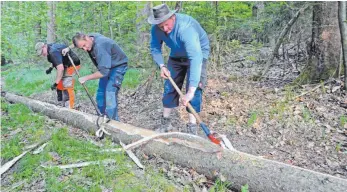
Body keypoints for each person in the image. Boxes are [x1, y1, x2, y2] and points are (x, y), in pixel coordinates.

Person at [148, 4, 210, 135]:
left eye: (167, 25)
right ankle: (166, 123)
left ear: (173, 17)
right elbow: (154, 48)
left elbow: (195, 58)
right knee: (169, 86)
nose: (165, 29)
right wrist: (162, 66)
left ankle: (192, 128)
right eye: (161, 26)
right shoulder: (156, 29)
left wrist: (191, 91)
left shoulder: (186, 28)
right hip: (176, 54)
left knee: (194, 90)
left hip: (198, 55)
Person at [62, 33, 128, 121]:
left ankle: (114, 124)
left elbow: (103, 72)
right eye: (82, 48)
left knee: (110, 94)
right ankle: (102, 119)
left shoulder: (101, 46)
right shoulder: (89, 38)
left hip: (117, 67)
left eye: (84, 46)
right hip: (106, 67)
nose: (85, 49)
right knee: (100, 95)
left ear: (87, 38)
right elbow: (78, 42)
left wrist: (85, 78)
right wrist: (68, 48)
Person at [35, 42, 81, 109]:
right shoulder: (50, 48)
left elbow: (60, 69)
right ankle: (63, 103)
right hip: (65, 64)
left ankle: (70, 107)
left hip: (72, 64)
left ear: (44, 46)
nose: (42, 54)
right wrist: (50, 68)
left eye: (42, 52)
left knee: (67, 84)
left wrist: (55, 83)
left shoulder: (53, 51)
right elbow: (56, 60)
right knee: (60, 84)